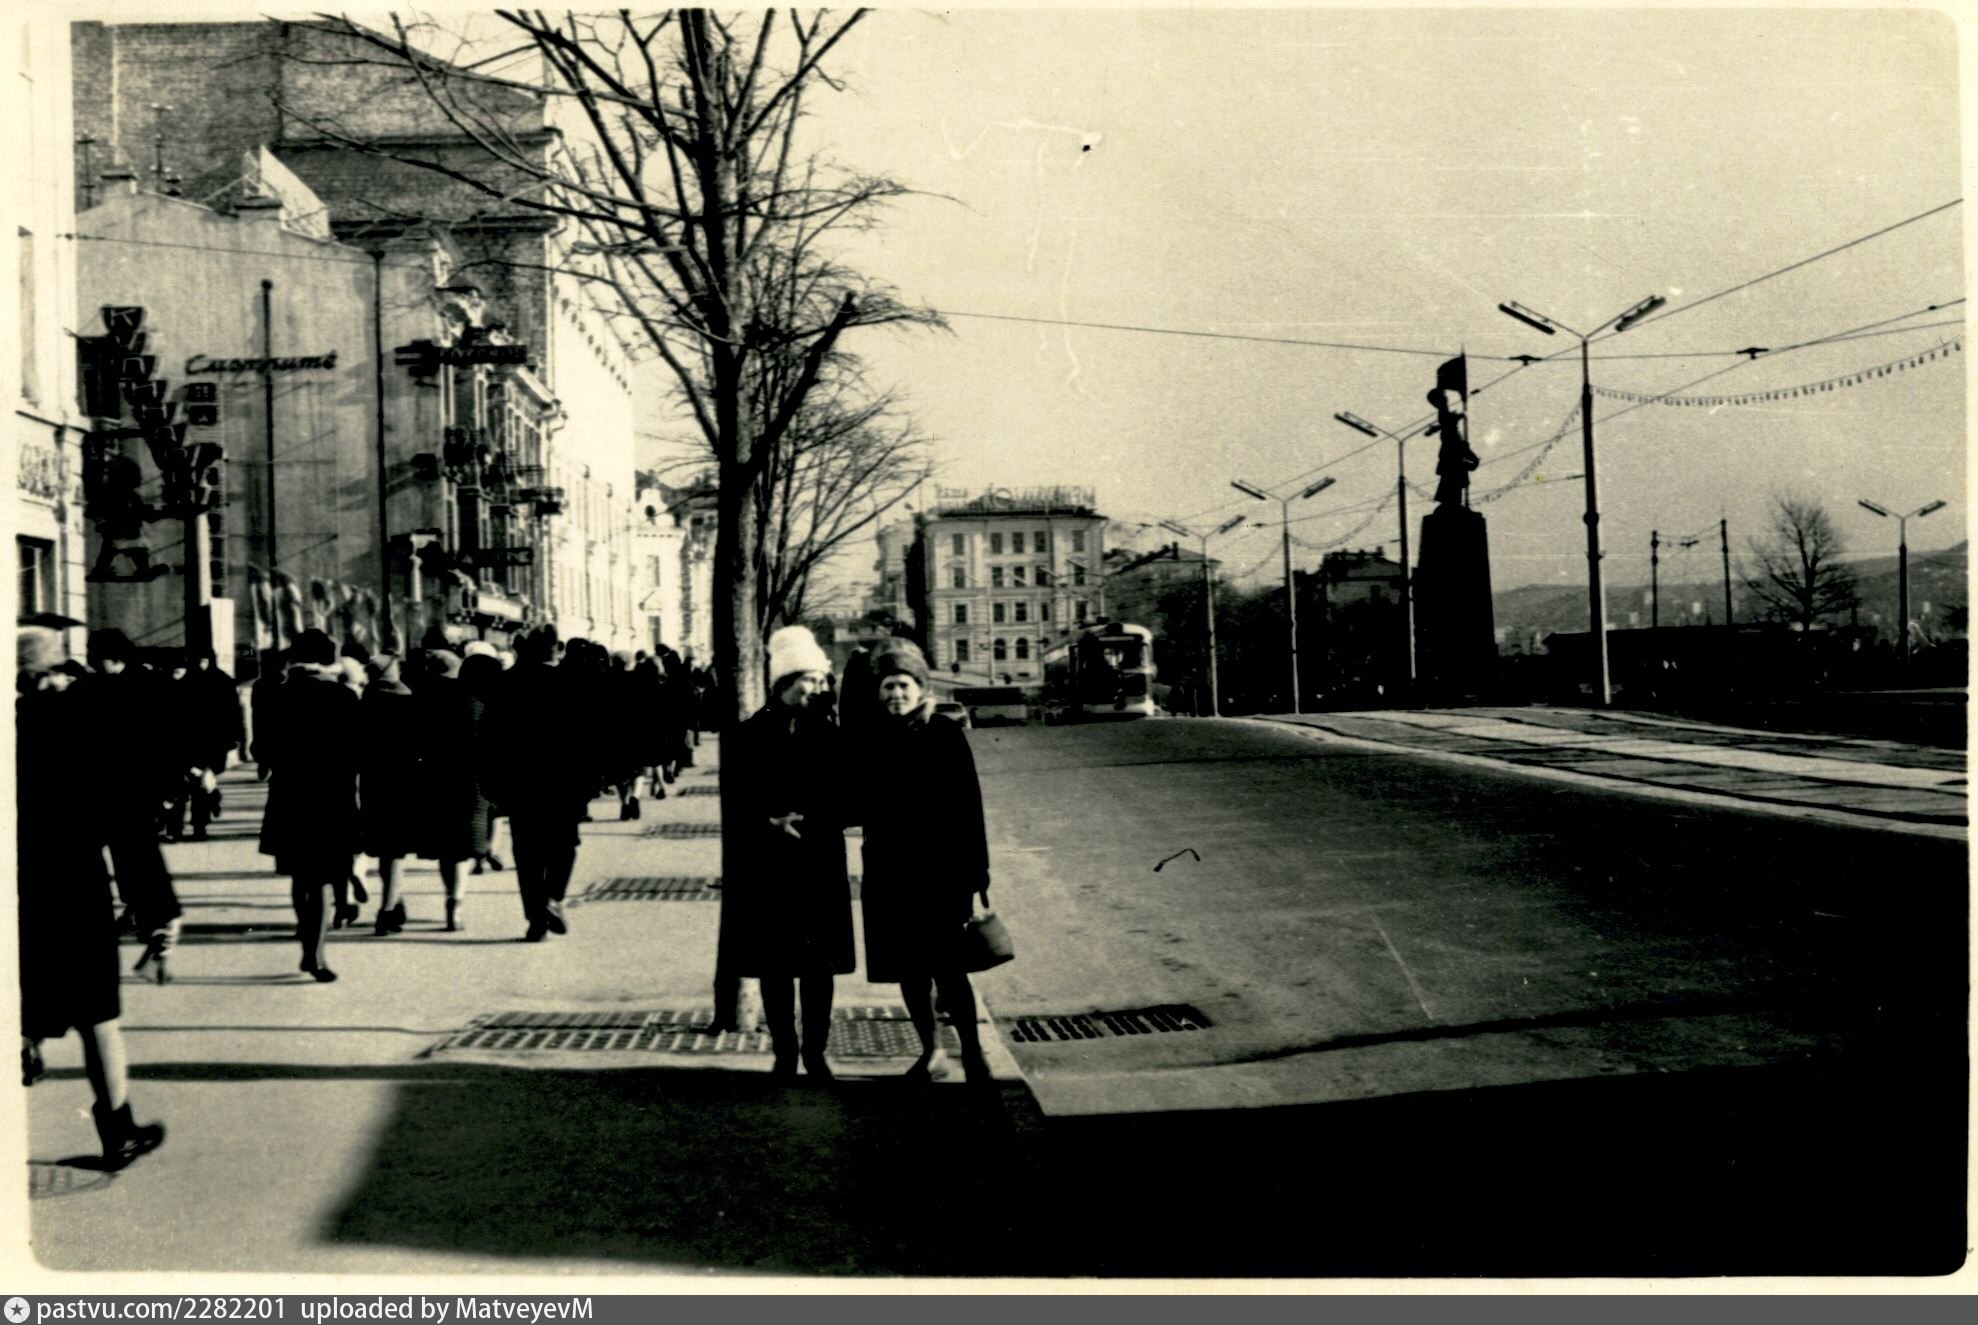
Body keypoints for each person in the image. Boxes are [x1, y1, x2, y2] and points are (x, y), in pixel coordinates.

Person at [17, 627, 168, 1168]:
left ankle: (26, 1049)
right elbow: (123, 823)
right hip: (71, 886)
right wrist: (155, 909)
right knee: (97, 1015)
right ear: (51, 674)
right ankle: (117, 1129)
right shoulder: (73, 727)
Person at [856, 640, 994, 1084]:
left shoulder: (944, 733)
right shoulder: (872, 737)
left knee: (950, 970)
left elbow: (969, 806)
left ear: (919, 688)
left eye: (903, 685)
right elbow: (854, 801)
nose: (895, 694)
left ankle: (973, 1053)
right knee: (909, 970)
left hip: (941, 876)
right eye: (887, 687)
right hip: (889, 873)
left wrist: (976, 874)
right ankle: (931, 1052)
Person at [722, 627, 855, 1080]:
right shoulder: (748, 734)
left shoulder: (831, 734)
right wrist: (768, 821)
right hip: (770, 863)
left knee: (819, 966)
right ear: (784, 681)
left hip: (819, 860)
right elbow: (734, 799)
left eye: (820, 680)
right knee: (774, 964)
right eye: (807, 679)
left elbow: (851, 797)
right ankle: (784, 1052)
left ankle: (815, 1053)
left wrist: (818, 817)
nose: (816, 687)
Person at [257, 629, 361, 982]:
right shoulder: (343, 697)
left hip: (290, 795)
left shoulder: (277, 695)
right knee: (321, 878)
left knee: (301, 874)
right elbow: (359, 749)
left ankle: (307, 934)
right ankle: (314, 952)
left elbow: (261, 749)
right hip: (333, 797)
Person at [83, 629, 183, 979]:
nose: (92, 662)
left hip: (131, 791)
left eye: (96, 656)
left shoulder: (148, 687)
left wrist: (169, 790)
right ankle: (151, 921)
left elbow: (170, 740)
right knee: (132, 856)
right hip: (116, 791)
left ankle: (157, 925)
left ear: (112, 657)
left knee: (134, 856)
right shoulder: (96, 686)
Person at [483, 626, 591, 941]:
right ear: (554, 650)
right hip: (564, 783)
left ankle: (535, 919)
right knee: (564, 845)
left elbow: (489, 738)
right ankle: (554, 898)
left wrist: (490, 783)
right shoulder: (571, 682)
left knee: (527, 852)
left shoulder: (505, 683)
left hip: (520, 783)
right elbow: (588, 738)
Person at [419, 649, 494, 932]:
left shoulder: (426, 698)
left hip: (436, 776)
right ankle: (457, 899)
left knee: (446, 847)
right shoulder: (476, 701)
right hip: (472, 779)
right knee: (464, 844)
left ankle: (450, 895)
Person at [357, 654, 421, 935]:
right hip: (404, 782)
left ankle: (395, 901)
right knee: (394, 850)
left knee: (385, 849)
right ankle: (387, 909)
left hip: (372, 781)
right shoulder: (409, 701)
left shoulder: (365, 702)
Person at [169, 650, 244, 843]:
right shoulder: (185, 683)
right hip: (187, 743)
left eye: (205, 660)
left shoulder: (222, 681)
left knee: (199, 786)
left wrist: (233, 738)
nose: (202, 665)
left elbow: (233, 712)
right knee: (185, 786)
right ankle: (178, 828)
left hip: (211, 743)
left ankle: (198, 826)